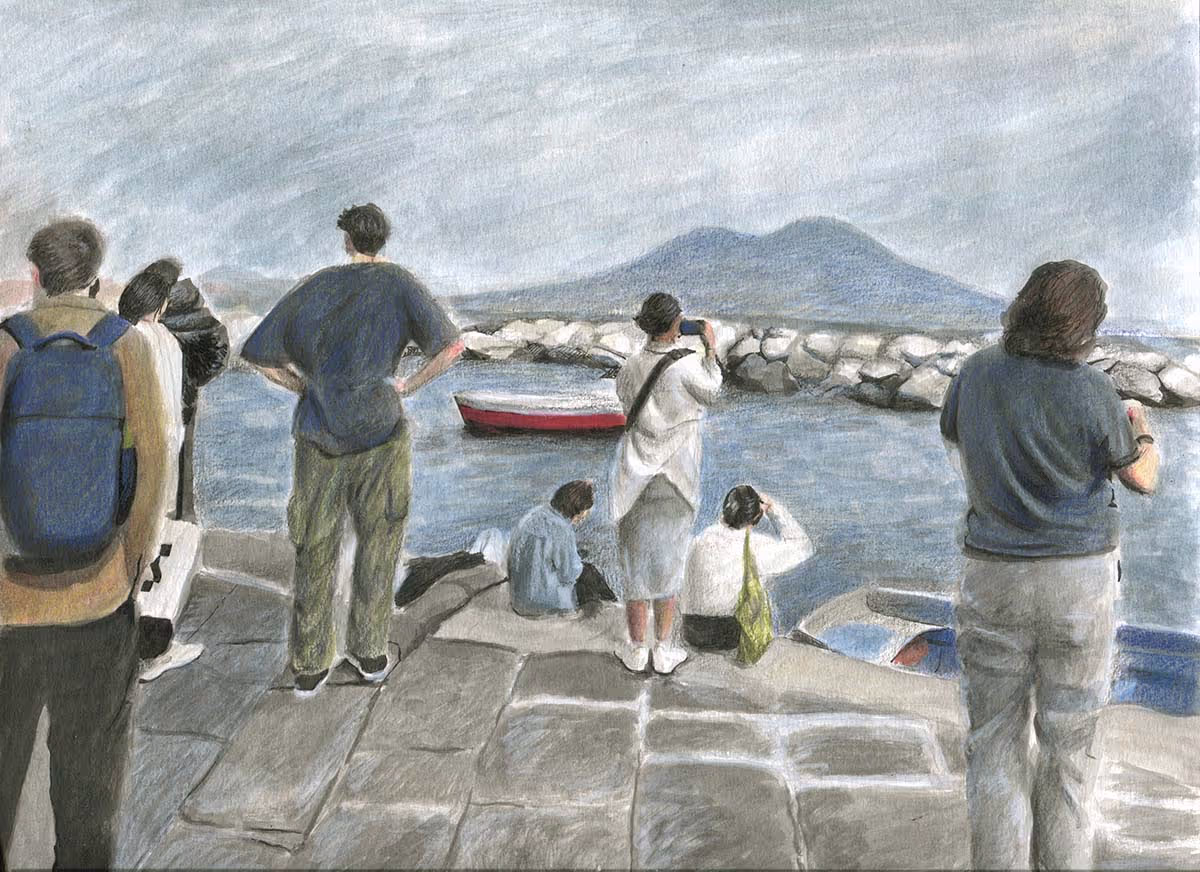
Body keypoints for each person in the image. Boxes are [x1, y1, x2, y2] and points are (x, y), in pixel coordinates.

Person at [940, 260, 1160, 871]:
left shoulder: (976, 372)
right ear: (1085, 325)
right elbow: (1142, 479)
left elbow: (957, 439)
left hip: (992, 576)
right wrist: (1142, 431)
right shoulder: (1093, 390)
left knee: (993, 743)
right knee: (1070, 749)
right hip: (1078, 586)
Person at [241, 203, 464, 697]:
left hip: (319, 435)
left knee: (314, 546)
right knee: (379, 544)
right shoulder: (400, 284)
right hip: (381, 433)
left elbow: (258, 355)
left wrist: (303, 387)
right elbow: (451, 347)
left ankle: (309, 662)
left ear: (347, 241)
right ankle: (369, 653)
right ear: (382, 240)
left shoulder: (316, 286)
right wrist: (407, 386)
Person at [0, 219, 169, 868]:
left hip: (9, 607)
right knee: (88, 796)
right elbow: (153, 466)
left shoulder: (7, 343)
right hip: (98, 598)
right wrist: (134, 564)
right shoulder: (126, 345)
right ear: (97, 278)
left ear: (37, 277)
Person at [611, 292, 722, 674]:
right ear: (676, 324)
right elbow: (714, 391)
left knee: (635, 566)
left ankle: (636, 648)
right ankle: (662, 649)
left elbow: (626, 403)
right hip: (677, 476)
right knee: (669, 565)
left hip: (635, 477)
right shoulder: (688, 365)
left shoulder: (629, 367)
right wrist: (710, 349)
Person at [119, 259, 205, 678]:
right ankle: (153, 649)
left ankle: (128, 644)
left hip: (125, 455)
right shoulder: (167, 341)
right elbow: (172, 409)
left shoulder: (118, 338)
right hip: (164, 454)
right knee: (167, 544)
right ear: (161, 305)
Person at [682, 485, 813, 651]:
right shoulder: (755, 546)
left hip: (692, 631)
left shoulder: (700, 540)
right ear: (756, 517)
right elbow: (803, 546)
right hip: (728, 636)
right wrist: (773, 509)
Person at [158, 274, 229, 522]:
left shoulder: (160, 314)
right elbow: (219, 352)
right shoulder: (199, 313)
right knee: (181, 462)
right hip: (185, 399)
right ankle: (181, 518)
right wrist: (192, 379)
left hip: (164, 396)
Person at [507, 480, 616, 617]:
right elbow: (569, 574)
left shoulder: (533, 516)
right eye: (585, 511)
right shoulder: (561, 528)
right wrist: (577, 561)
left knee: (582, 568)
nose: (584, 517)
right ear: (577, 507)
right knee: (588, 571)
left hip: (519, 601)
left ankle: (611, 605)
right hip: (545, 604)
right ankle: (614, 605)